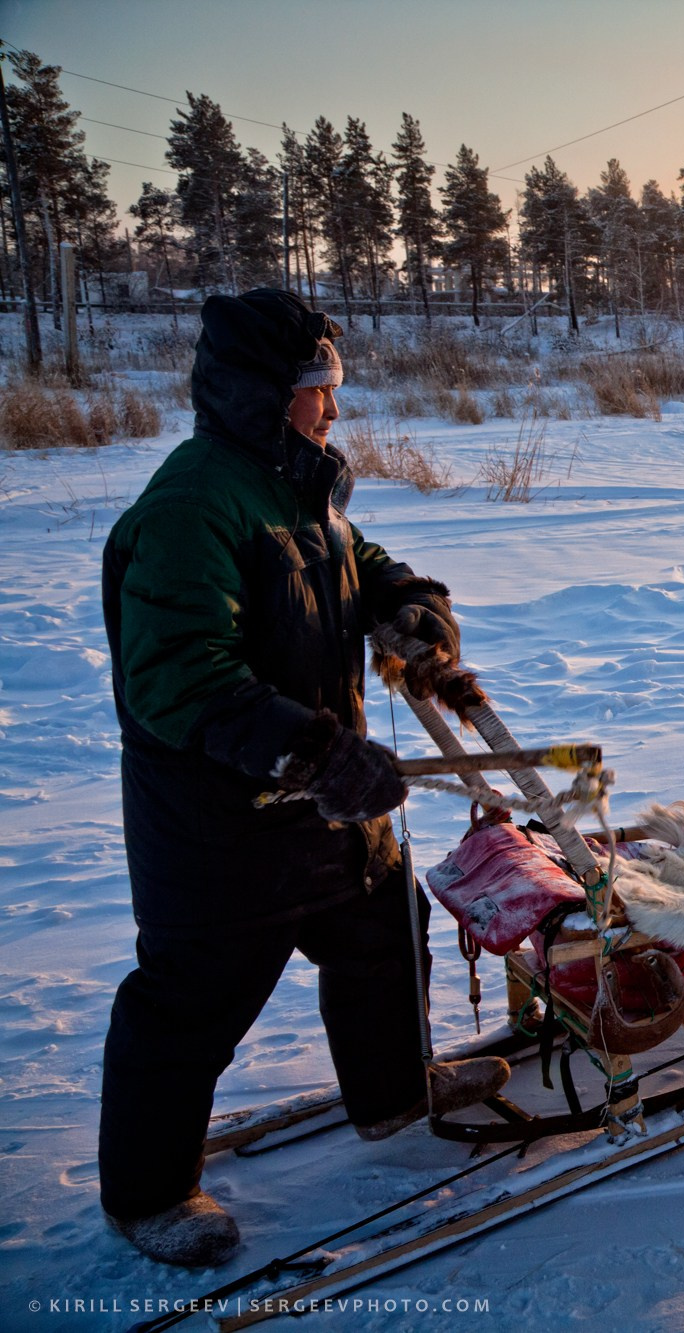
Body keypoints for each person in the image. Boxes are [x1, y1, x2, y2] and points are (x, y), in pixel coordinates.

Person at [98, 289, 507, 1268]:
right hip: (222, 824)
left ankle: (393, 1095)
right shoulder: (195, 502)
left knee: (380, 934)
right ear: (260, 394)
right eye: (318, 383)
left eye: (335, 381)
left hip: (323, 807)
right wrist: (316, 754)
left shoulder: (297, 485)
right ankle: (148, 1194)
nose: (333, 404)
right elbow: (179, 677)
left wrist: (409, 611)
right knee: (193, 1000)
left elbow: (356, 566)